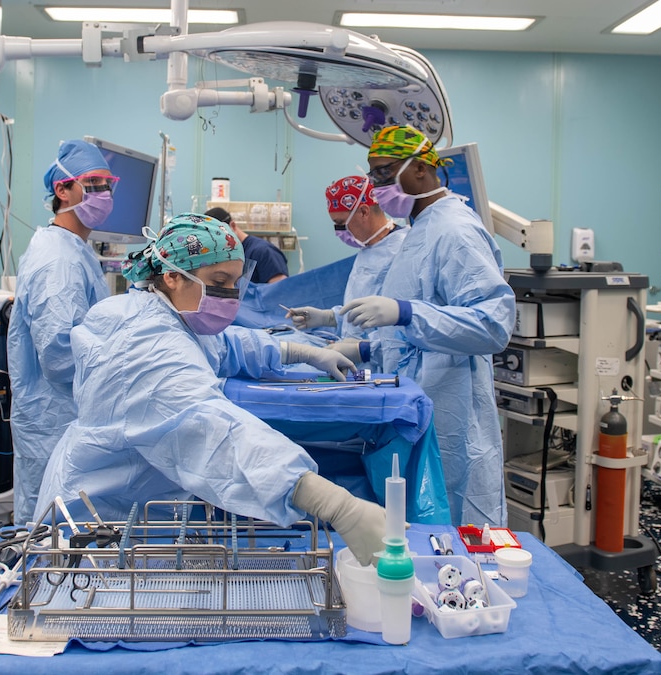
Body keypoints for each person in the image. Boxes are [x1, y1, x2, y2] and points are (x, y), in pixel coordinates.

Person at [33, 214, 386, 565]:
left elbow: (224, 344)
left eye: (235, 282)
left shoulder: (158, 312)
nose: (231, 295)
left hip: (136, 512)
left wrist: (301, 351)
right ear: (172, 275)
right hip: (97, 535)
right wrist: (332, 503)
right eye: (219, 280)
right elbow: (214, 431)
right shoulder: (145, 346)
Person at [331, 125, 516, 528]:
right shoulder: (423, 228)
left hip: (450, 408)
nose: (375, 186)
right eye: (373, 175)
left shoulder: (455, 230)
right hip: (420, 402)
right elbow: (410, 339)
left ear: (419, 169)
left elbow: (493, 325)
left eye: (383, 173)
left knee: (455, 525)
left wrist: (406, 312)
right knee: (418, 525)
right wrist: (366, 350)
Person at [6, 139, 118, 525]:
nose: (104, 194)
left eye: (108, 185)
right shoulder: (56, 260)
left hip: (70, 415)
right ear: (62, 189)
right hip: (55, 418)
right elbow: (60, 356)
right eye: (94, 183)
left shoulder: (75, 250)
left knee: (71, 529)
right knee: (48, 533)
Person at [286, 176, 407, 342]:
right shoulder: (368, 249)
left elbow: (403, 323)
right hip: (362, 359)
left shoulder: (402, 250)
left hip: (388, 360)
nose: (338, 232)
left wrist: (365, 350)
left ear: (364, 212)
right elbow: (363, 310)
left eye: (341, 223)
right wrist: (329, 317)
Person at [204, 206, 288, 283]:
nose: (219, 244)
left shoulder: (263, 251)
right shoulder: (229, 255)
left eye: (220, 236)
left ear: (232, 226)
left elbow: (280, 291)